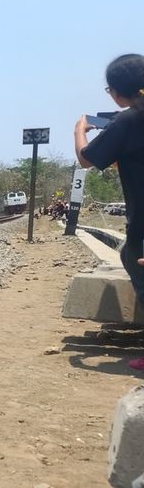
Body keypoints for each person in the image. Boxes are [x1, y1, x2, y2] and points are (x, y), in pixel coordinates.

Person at [73, 54, 144, 370]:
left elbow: (87, 159)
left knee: (136, 261)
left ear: (116, 92)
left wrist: (81, 129)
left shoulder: (129, 120)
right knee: (131, 257)